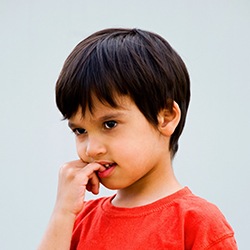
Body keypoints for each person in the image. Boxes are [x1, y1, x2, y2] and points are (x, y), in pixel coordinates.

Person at [38, 28, 237, 249]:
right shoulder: (77, 220)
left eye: (110, 124)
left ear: (166, 117)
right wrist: (62, 212)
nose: (92, 149)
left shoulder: (196, 223)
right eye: (80, 131)